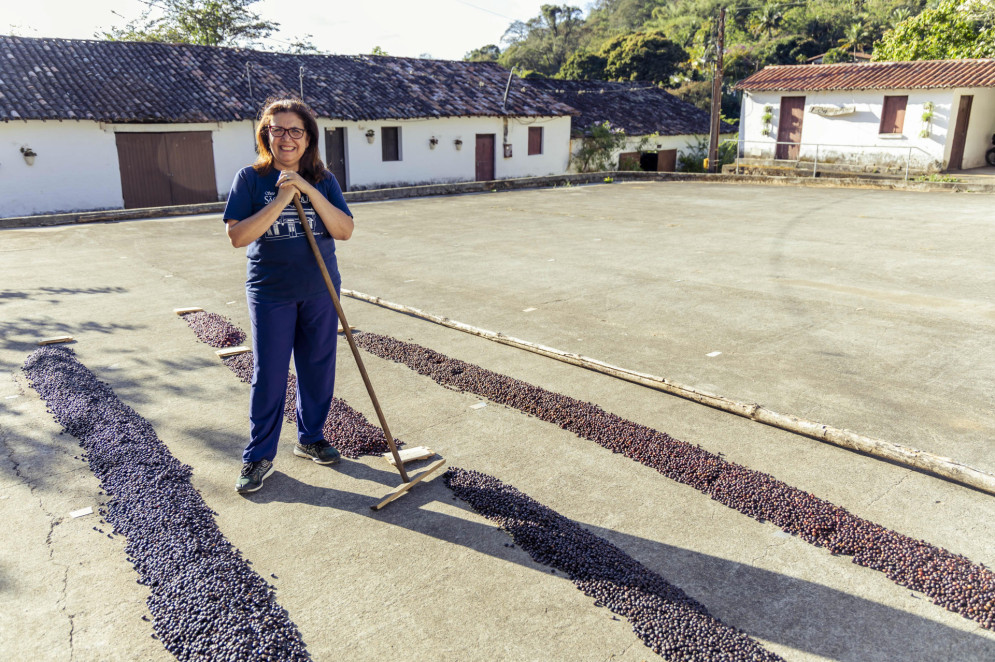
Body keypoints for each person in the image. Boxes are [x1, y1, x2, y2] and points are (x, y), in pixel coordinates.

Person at [223, 98, 354, 494]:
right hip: (271, 293)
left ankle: (310, 437)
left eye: (295, 130)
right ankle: (258, 456)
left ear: (308, 137)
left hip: (320, 290)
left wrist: (307, 190)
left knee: (317, 368)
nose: (286, 138)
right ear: (266, 134)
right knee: (270, 375)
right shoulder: (250, 178)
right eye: (277, 129)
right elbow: (238, 237)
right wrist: (282, 198)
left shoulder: (324, 179)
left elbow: (344, 230)